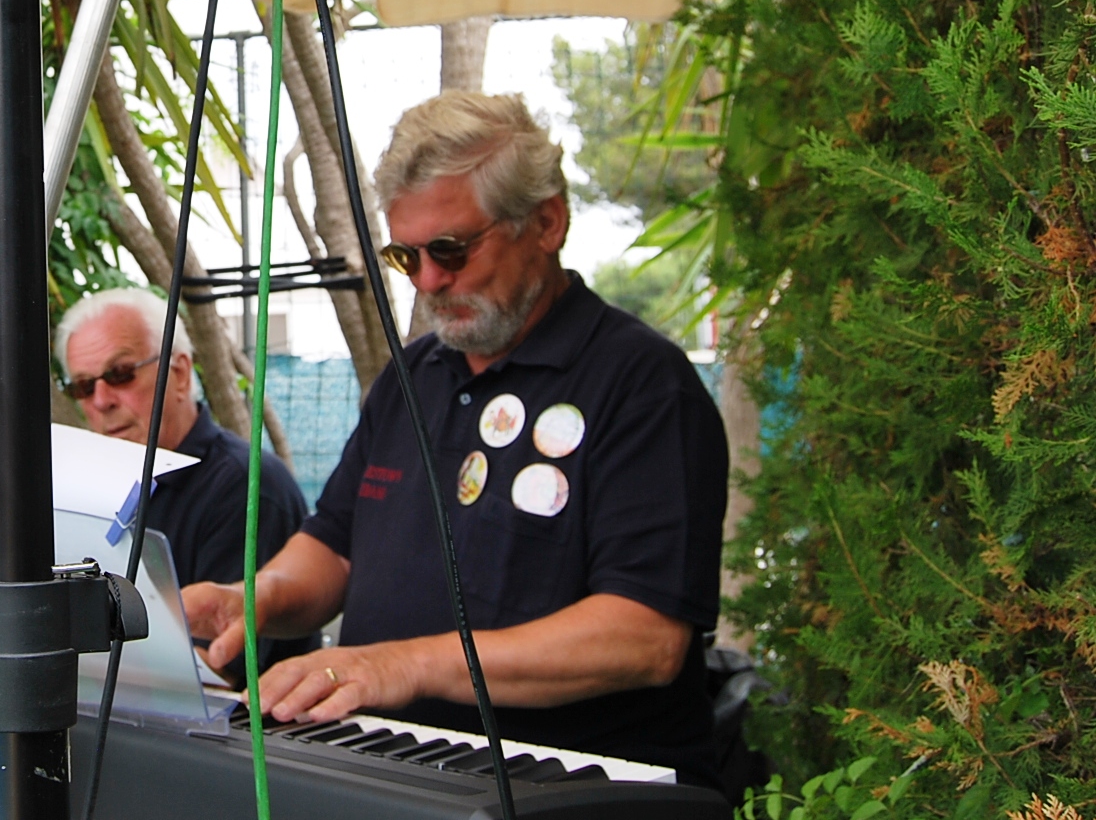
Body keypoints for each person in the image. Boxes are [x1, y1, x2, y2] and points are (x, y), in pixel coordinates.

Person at [182, 92, 728, 789]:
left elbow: (644, 639)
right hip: (397, 771)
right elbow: (337, 546)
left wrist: (401, 665)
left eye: (451, 250)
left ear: (547, 222)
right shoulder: (413, 376)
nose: (429, 281)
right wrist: (256, 598)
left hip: (572, 789)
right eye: (405, 256)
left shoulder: (642, 384)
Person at [55, 288, 317, 672]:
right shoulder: (96, 486)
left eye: (120, 374)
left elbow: (217, 668)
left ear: (178, 375)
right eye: (83, 386)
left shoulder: (246, 487)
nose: (100, 400)